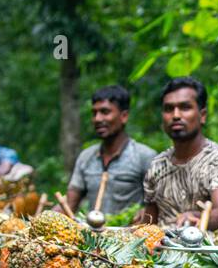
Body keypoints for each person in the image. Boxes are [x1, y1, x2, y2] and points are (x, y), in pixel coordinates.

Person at [135, 77, 218, 229]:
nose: (176, 115)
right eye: (169, 109)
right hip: (161, 249)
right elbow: (150, 223)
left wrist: (197, 217)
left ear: (202, 115)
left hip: (205, 250)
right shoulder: (157, 166)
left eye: (185, 107)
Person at [65, 85, 156, 218]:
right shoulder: (86, 157)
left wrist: (145, 213)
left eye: (105, 112)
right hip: (93, 235)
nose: (97, 119)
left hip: (131, 236)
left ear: (124, 116)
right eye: (94, 113)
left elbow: (159, 204)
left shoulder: (144, 156)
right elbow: (68, 205)